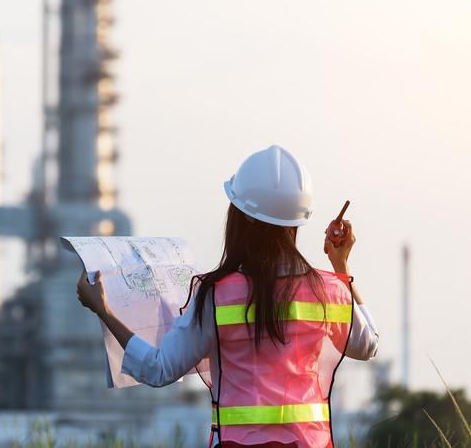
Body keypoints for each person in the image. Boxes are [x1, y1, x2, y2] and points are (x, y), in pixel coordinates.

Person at [76, 145, 379, 448]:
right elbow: (368, 345)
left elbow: (158, 368)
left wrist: (104, 309)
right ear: (298, 222)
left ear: (242, 217)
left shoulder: (216, 295)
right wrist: (340, 265)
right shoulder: (328, 291)